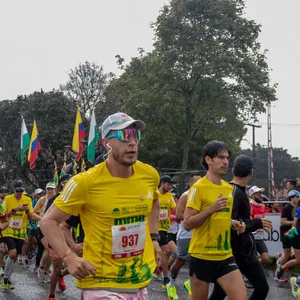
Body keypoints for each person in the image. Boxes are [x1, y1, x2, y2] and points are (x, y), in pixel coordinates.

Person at [41, 112, 161, 300]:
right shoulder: (85, 182)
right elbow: (48, 221)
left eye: (134, 134)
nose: (132, 142)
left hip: (138, 280)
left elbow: (154, 200)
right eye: (123, 135)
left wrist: (154, 238)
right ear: (107, 143)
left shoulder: (149, 175)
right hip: (100, 281)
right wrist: (69, 256)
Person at [184, 141, 247, 300]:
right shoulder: (198, 188)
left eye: (227, 158)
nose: (225, 161)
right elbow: (187, 223)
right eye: (220, 157)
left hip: (225, 256)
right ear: (208, 160)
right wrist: (210, 209)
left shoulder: (228, 188)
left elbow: (222, 217)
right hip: (201, 256)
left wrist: (234, 224)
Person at [209, 155, 272, 300]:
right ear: (251, 173)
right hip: (240, 251)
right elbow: (232, 223)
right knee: (262, 288)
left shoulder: (233, 190)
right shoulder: (237, 193)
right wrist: (257, 223)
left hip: (232, 249)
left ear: (233, 170)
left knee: (220, 292)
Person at [1, 180, 40, 290]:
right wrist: (15, 210)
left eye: (21, 191)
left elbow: (30, 217)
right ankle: (4, 280)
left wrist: (27, 210)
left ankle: (7, 279)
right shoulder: (8, 199)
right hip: (8, 230)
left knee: (13, 257)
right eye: (18, 191)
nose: (19, 193)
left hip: (21, 233)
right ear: (14, 189)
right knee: (12, 253)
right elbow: (3, 215)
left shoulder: (27, 199)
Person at [166, 174, 201, 300]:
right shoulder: (186, 195)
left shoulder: (202, 194)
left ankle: (189, 283)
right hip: (186, 234)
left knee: (196, 261)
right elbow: (179, 214)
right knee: (180, 260)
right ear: (190, 183)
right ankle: (171, 284)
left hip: (199, 233)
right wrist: (197, 216)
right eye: (197, 181)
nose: (200, 183)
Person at [153, 175, 176, 288]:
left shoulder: (169, 196)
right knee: (166, 251)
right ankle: (166, 278)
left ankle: (157, 269)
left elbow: (175, 210)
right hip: (156, 228)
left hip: (165, 228)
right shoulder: (154, 193)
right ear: (162, 183)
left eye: (171, 184)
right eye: (168, 184)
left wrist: (177, 215)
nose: (170, 186)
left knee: (166, 252)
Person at [275, 190, 300, 282]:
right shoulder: (286, 208)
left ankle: (281, 262)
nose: (298, 198)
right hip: (286, 232)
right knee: (287, 254)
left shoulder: (297, 207)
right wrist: (293, 223)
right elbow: (282, 222)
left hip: (293, 232)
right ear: (291, 198)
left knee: (292, 254)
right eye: (297, 196)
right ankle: (280, 268)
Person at [249, 186, 270, 265]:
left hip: (260, 237)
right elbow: (249, 221)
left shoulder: (262, 206)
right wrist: (257, 225)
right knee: (253, 259)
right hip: (252, 237)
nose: (260, 195)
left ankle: (252, 269)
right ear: (252, 195)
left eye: (260, 193)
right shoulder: (249, 205)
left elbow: (262, 219)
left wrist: (266, 227)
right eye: (257, 193)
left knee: (266, 259)